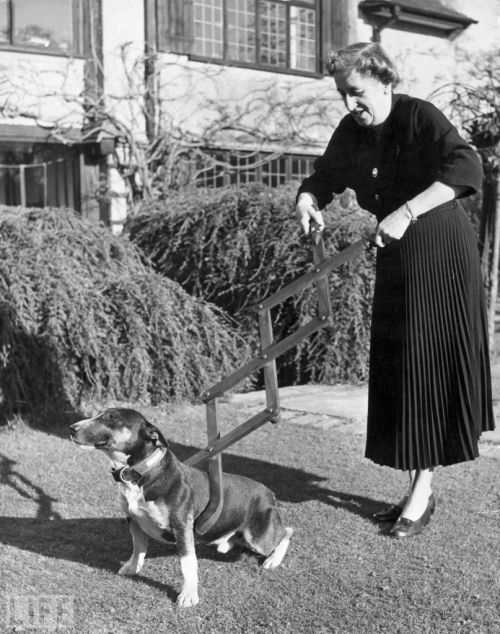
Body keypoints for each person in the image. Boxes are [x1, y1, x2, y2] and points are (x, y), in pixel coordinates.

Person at [296, 42, 495, 538]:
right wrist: (306, 198)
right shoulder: (352, 130)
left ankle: (422, 492)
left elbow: (467, 169)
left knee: (425, 362)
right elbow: (326, 176)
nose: (349, 105)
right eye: (342, 94)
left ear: (383, 81)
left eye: (357, 93)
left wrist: (407, 210)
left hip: (440, 250)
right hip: (397, 253)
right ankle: (415, 487)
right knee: (401, 365)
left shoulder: (418, 116)